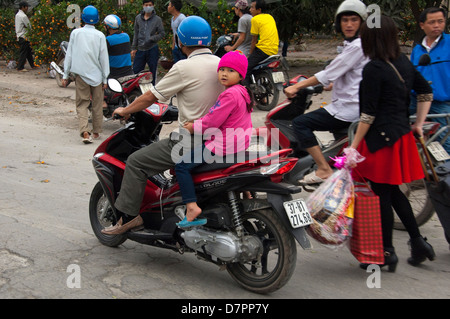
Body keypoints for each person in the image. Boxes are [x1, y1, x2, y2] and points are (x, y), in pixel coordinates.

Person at [101, 16, 224, 235]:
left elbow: (151, 97)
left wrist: (125, 110)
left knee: (136, 161)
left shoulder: (184, 67)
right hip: (223, 137)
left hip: (192, 140)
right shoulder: (222, 64)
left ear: (180, 41)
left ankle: (128, 218)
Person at [349, 15, 435, 271]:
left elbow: (368, 114)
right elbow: (425, 91)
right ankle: (418, 242)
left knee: (382, 196)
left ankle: (387, 251)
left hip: (380, 141)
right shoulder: (402, 62)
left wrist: (354, 145)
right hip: (401, 137)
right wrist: (418, 124)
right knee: (393, 192)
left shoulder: (373, 68)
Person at [284, 0, 369, 184]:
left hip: (348, 108)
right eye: (345, 20)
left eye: (354, 20)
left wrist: (296, 86)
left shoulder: (357, 46)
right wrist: (327, 85)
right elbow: (346, 73)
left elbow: (328, 73)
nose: (348, 24)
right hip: (349, 104)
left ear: (362, 22)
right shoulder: (352, 45)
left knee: (300, 123)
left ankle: (323, 169)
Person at [175, 50, 253, 227]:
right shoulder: (243, 91)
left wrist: (192, 127)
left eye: (231, 71)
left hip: (225, 144)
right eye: (222, 69)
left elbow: (212, 121)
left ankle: (191, 207)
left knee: (181, 166)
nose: (224, 73)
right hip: (241, 143)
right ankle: (246, 191)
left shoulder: (229, 94)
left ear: (241, 75)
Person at [62, 5, 110, 144]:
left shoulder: (76, 33)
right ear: (97, 20)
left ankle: (84, 131)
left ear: (82, 18)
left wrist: (65, 75)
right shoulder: (100, 35)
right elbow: (103, 58)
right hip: (97, 76)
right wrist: (105, 77)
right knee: (97, 104)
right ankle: (96, 132)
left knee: (82, 104)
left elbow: (69, 55)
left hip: (81, 75)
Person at [410, 7, 450, 154]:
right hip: (417, 102)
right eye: (432, 22)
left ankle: (445, 172)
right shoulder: (417, 49)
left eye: (440, 21)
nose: (437, 25)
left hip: (441, 103)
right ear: (422, 25)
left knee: (444, 142)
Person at [243, 0, 279, 86]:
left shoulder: (255, 19)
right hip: (274, 49)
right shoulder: (270, 17)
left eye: (252, 8)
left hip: (263, 50)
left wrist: (249, 54)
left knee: (245, 67)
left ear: (259, 10)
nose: (250, 10)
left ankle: (246, 92)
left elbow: (254, 40)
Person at [131, 0, 165, 85]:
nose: (148, 7)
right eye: (146, 5)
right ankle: (137, 93)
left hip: (152, 49)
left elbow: (162, 33)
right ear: (143, 6)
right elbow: (136, 33)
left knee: (152, 72)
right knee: (136, 72)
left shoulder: (157, 19)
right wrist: (133, 48)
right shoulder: (138, 18)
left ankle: (152, 93)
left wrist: (152, 38)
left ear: (153, 6)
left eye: (150, 5)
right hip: (140, 49)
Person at [103, 14, 134, 79]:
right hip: (128, 72)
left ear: (108, 27)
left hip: (114, 74)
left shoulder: (108, 40)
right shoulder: (126, 36)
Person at [15, 1, 36, 72]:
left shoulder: (17, 15)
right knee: (23, 52)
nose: (27, 9)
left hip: (19, 35)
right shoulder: (23, 16)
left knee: (28, 52)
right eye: (26, 7)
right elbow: (29, 26)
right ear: (23, 7)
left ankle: (33, 65)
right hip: (24, 36)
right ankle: (20, 67)